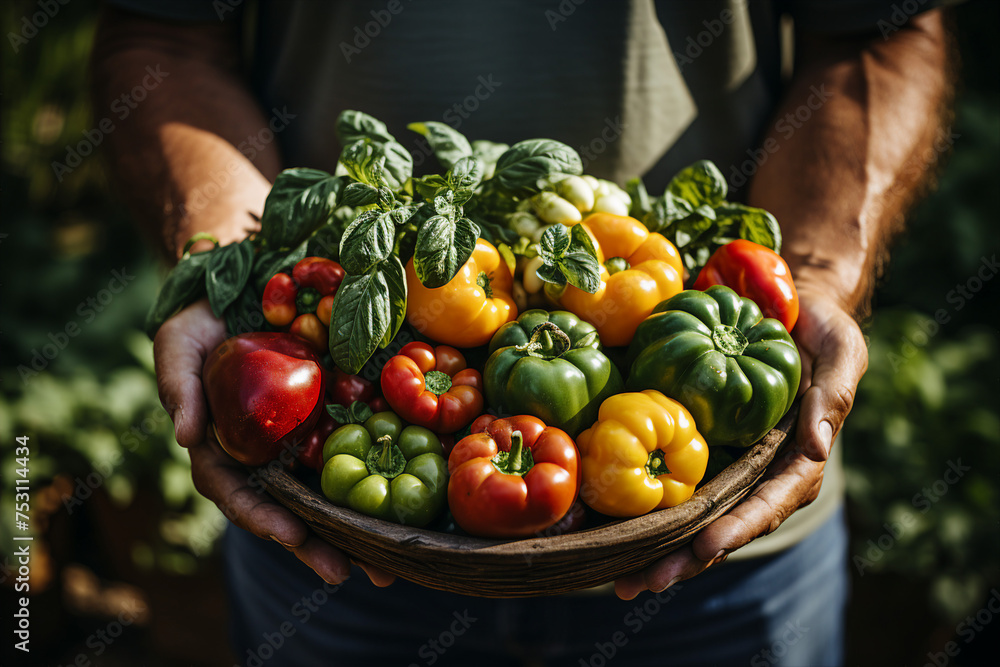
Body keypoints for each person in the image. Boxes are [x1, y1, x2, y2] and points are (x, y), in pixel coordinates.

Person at [91, 2, 953, 664]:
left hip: (729, 550)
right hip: (329, 545)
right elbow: (163, 31)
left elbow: (881, 30)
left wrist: (816, 277)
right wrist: (226, 265)